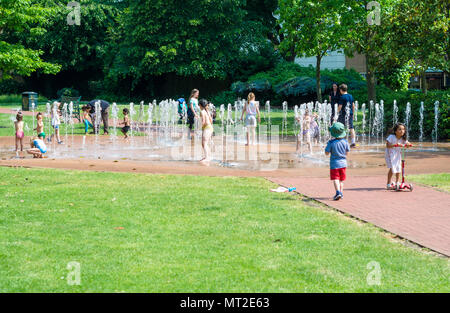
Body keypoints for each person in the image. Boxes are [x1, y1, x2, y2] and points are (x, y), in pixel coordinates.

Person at [325, 122, 350, 201]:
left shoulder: (331, 142)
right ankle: (341, 194)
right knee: (341, 180)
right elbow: (347, 153)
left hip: (334, 164)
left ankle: (338, 192)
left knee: (335, 178)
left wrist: (328, 148)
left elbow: (326, 153)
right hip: (343, 164)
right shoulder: (345, 142)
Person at [385, 123, 412, 190]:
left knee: (399, 167)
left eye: (403, 129)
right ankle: (388, 183)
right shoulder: (391, 137)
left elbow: (407, 143)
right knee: (392, 167)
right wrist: (395, 145)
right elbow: (387, 145)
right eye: (400, 129)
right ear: (395, 131)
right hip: (390, 154)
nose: (402, 131)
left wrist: (408, 144)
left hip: (398, 154)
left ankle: (397, 182)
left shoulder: (403, 139)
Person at [199, 99, 213, 165]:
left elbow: (203, 122)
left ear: (200, 105)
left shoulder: (202, 111)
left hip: (207, 128)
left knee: (204, 143)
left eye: (199, 105)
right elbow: (211, 120)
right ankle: (208, 156)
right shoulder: (207, 111)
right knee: (204, 143)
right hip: (209, 127)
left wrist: (199, 128)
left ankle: (207, 157)